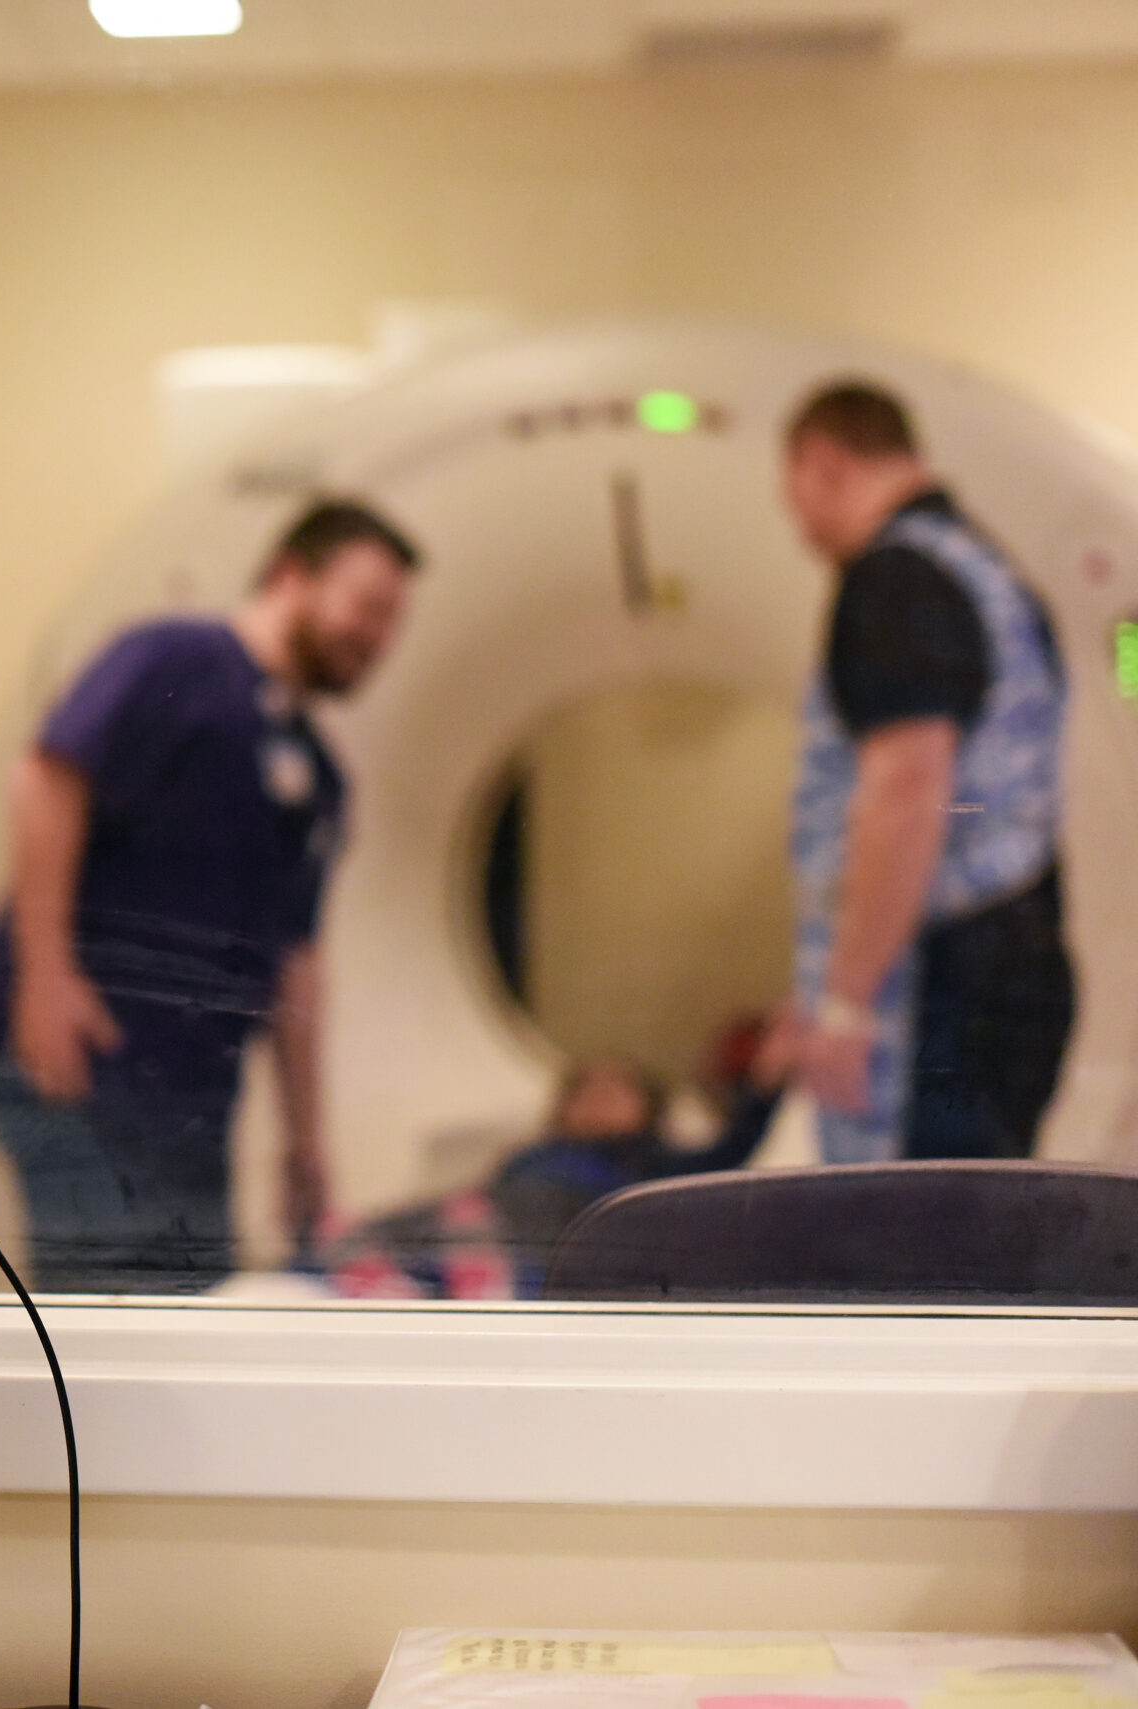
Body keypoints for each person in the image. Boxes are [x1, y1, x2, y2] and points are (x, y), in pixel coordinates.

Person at [0, 499, 419, 1291]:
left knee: (193, 1317)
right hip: (85, 1059)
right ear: (290, 575)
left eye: (392, 622)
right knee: (110, 1320)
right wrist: (45, 977)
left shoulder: (317, 773)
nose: (377, 637)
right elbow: (46, 778)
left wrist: (305, 1142)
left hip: (190, 1094)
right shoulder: (174, 660)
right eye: (367, 607)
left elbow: (297, 961)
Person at [778, 380, 1075, 1163]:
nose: (798, 525)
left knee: (912, 1226)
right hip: (1016, 956)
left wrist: (845, 1004)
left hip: (937, 992)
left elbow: (907, 793)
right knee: (978, 1214)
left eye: (793, 497)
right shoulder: (988, 569)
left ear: (823, 463)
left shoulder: (892, 582)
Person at [317, 1029, 790, 1301]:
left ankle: (467, 1281)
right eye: (587, 1092)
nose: (598, 1100)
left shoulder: (648, 1159)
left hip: (570, 1223)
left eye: (615, 1092)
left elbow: (728, 1152)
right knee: (435, 1221)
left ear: (648, 1111)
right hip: (489, 1214)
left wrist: (765, 1084)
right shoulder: (532, 1153)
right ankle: (373, 1261)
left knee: (516, 1246)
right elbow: (486, 1197)